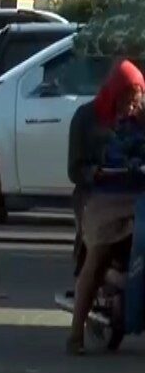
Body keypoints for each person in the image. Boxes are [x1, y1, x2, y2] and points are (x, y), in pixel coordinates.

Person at [66, 58, 145, 355]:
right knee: (97, 256)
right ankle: (75, 334)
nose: (132, 107)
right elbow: (75, 169)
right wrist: (96, 173)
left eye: (137, 100)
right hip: (101, 196)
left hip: (140, 194)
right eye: (126, 100)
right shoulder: (86, 118)